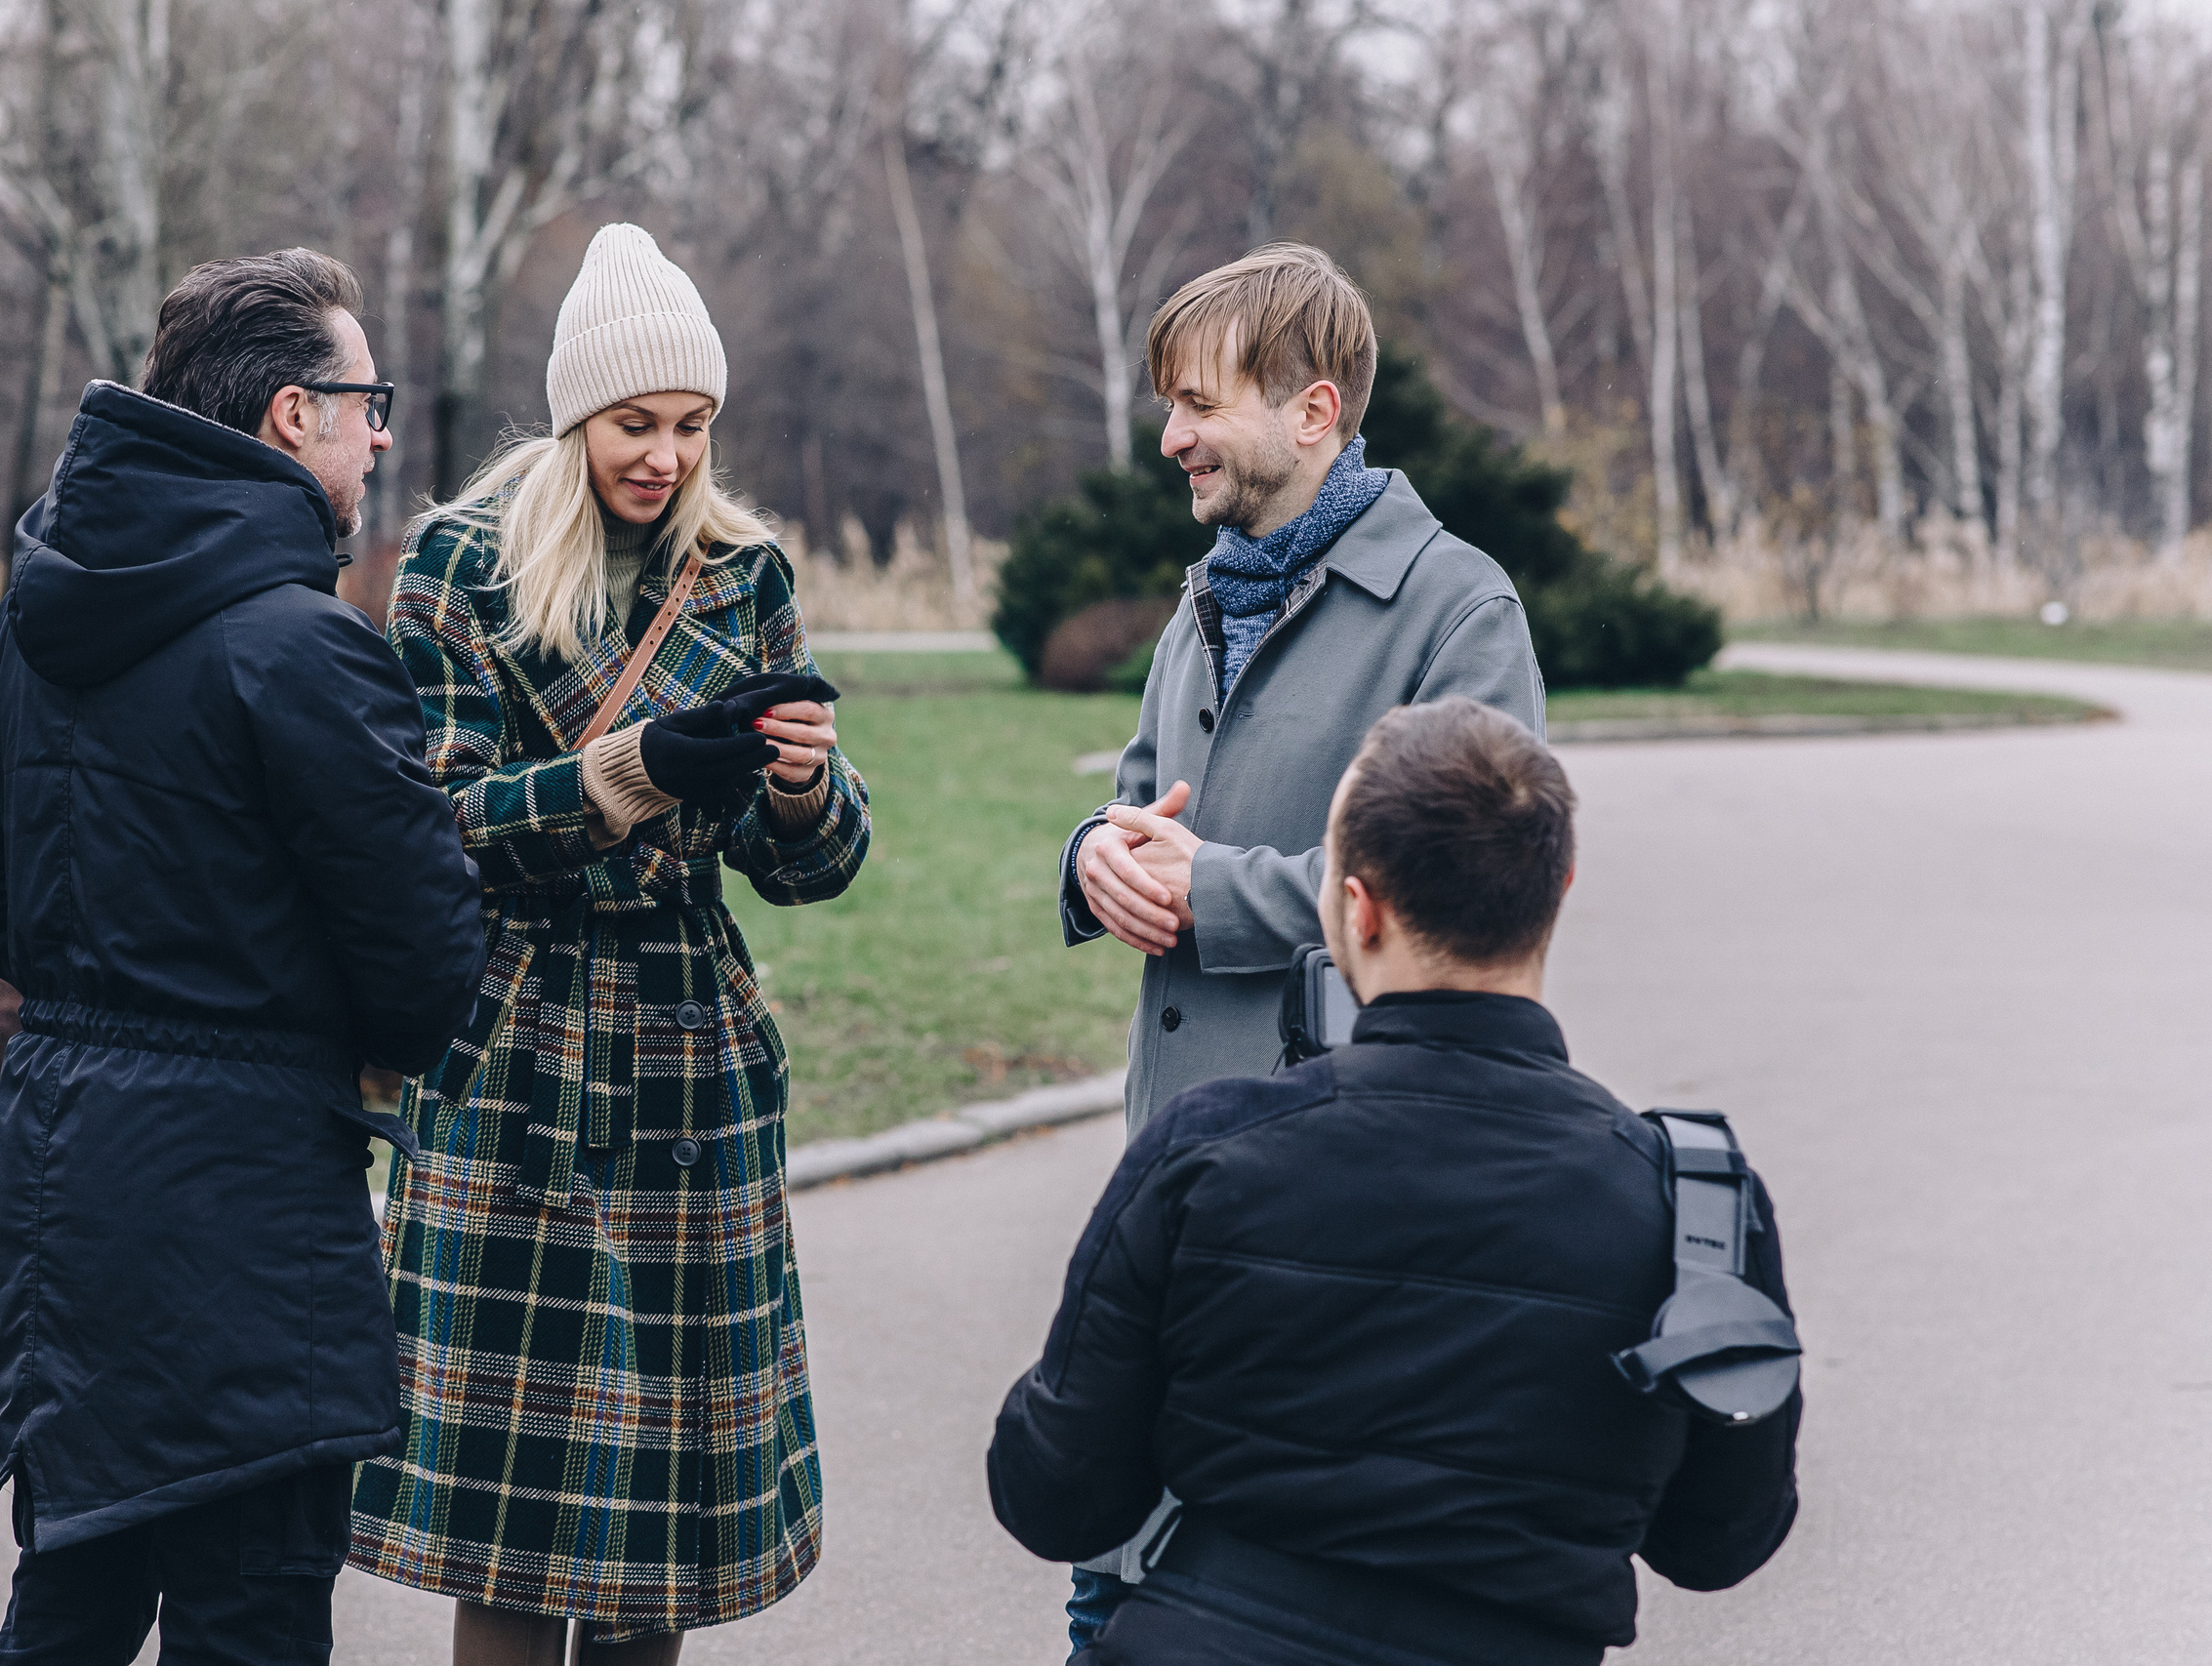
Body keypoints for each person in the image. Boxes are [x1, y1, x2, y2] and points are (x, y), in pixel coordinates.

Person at [0, 247, 487, 1665]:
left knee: (72, 1600)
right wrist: (266, 1014)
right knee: (250, 1614)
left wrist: (104, 979)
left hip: (65, 1192)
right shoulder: (307, 651)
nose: (382, 436)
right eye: (367, 404)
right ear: (294, 414)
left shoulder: (34, 623)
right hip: (248, 1219)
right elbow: (426, 973)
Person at [991, 698, 1801, 1665]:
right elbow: (1720, 1539)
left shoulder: (1207, 1149)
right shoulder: (1693, 1201)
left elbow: (1055, 1492)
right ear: (1558, 888)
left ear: (1357, 907)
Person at [345, 223, 869, 1666]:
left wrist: (800, 785)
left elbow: (813, 869)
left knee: (661, 1538)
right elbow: (437, 820)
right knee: (512, 1531)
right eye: (638, 423)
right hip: (518, 1051)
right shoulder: (459, 563)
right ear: (577, 412)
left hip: (693, 1060)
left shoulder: (741, 573)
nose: (668, 456)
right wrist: (630, 772)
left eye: (694, 425)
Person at [1054, 242, 1548, 1640]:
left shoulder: (1462, 609)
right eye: (1170, 404)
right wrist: (1091, 857)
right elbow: (1138, 797)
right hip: (1173, 1186)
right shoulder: (1203, 595)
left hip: (1351, 1206)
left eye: (1199, 404)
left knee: (1280, 1592)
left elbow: (1467, 881)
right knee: (1121, 1579)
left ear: (1312, 412)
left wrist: (1213, 893)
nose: (1172, 436)